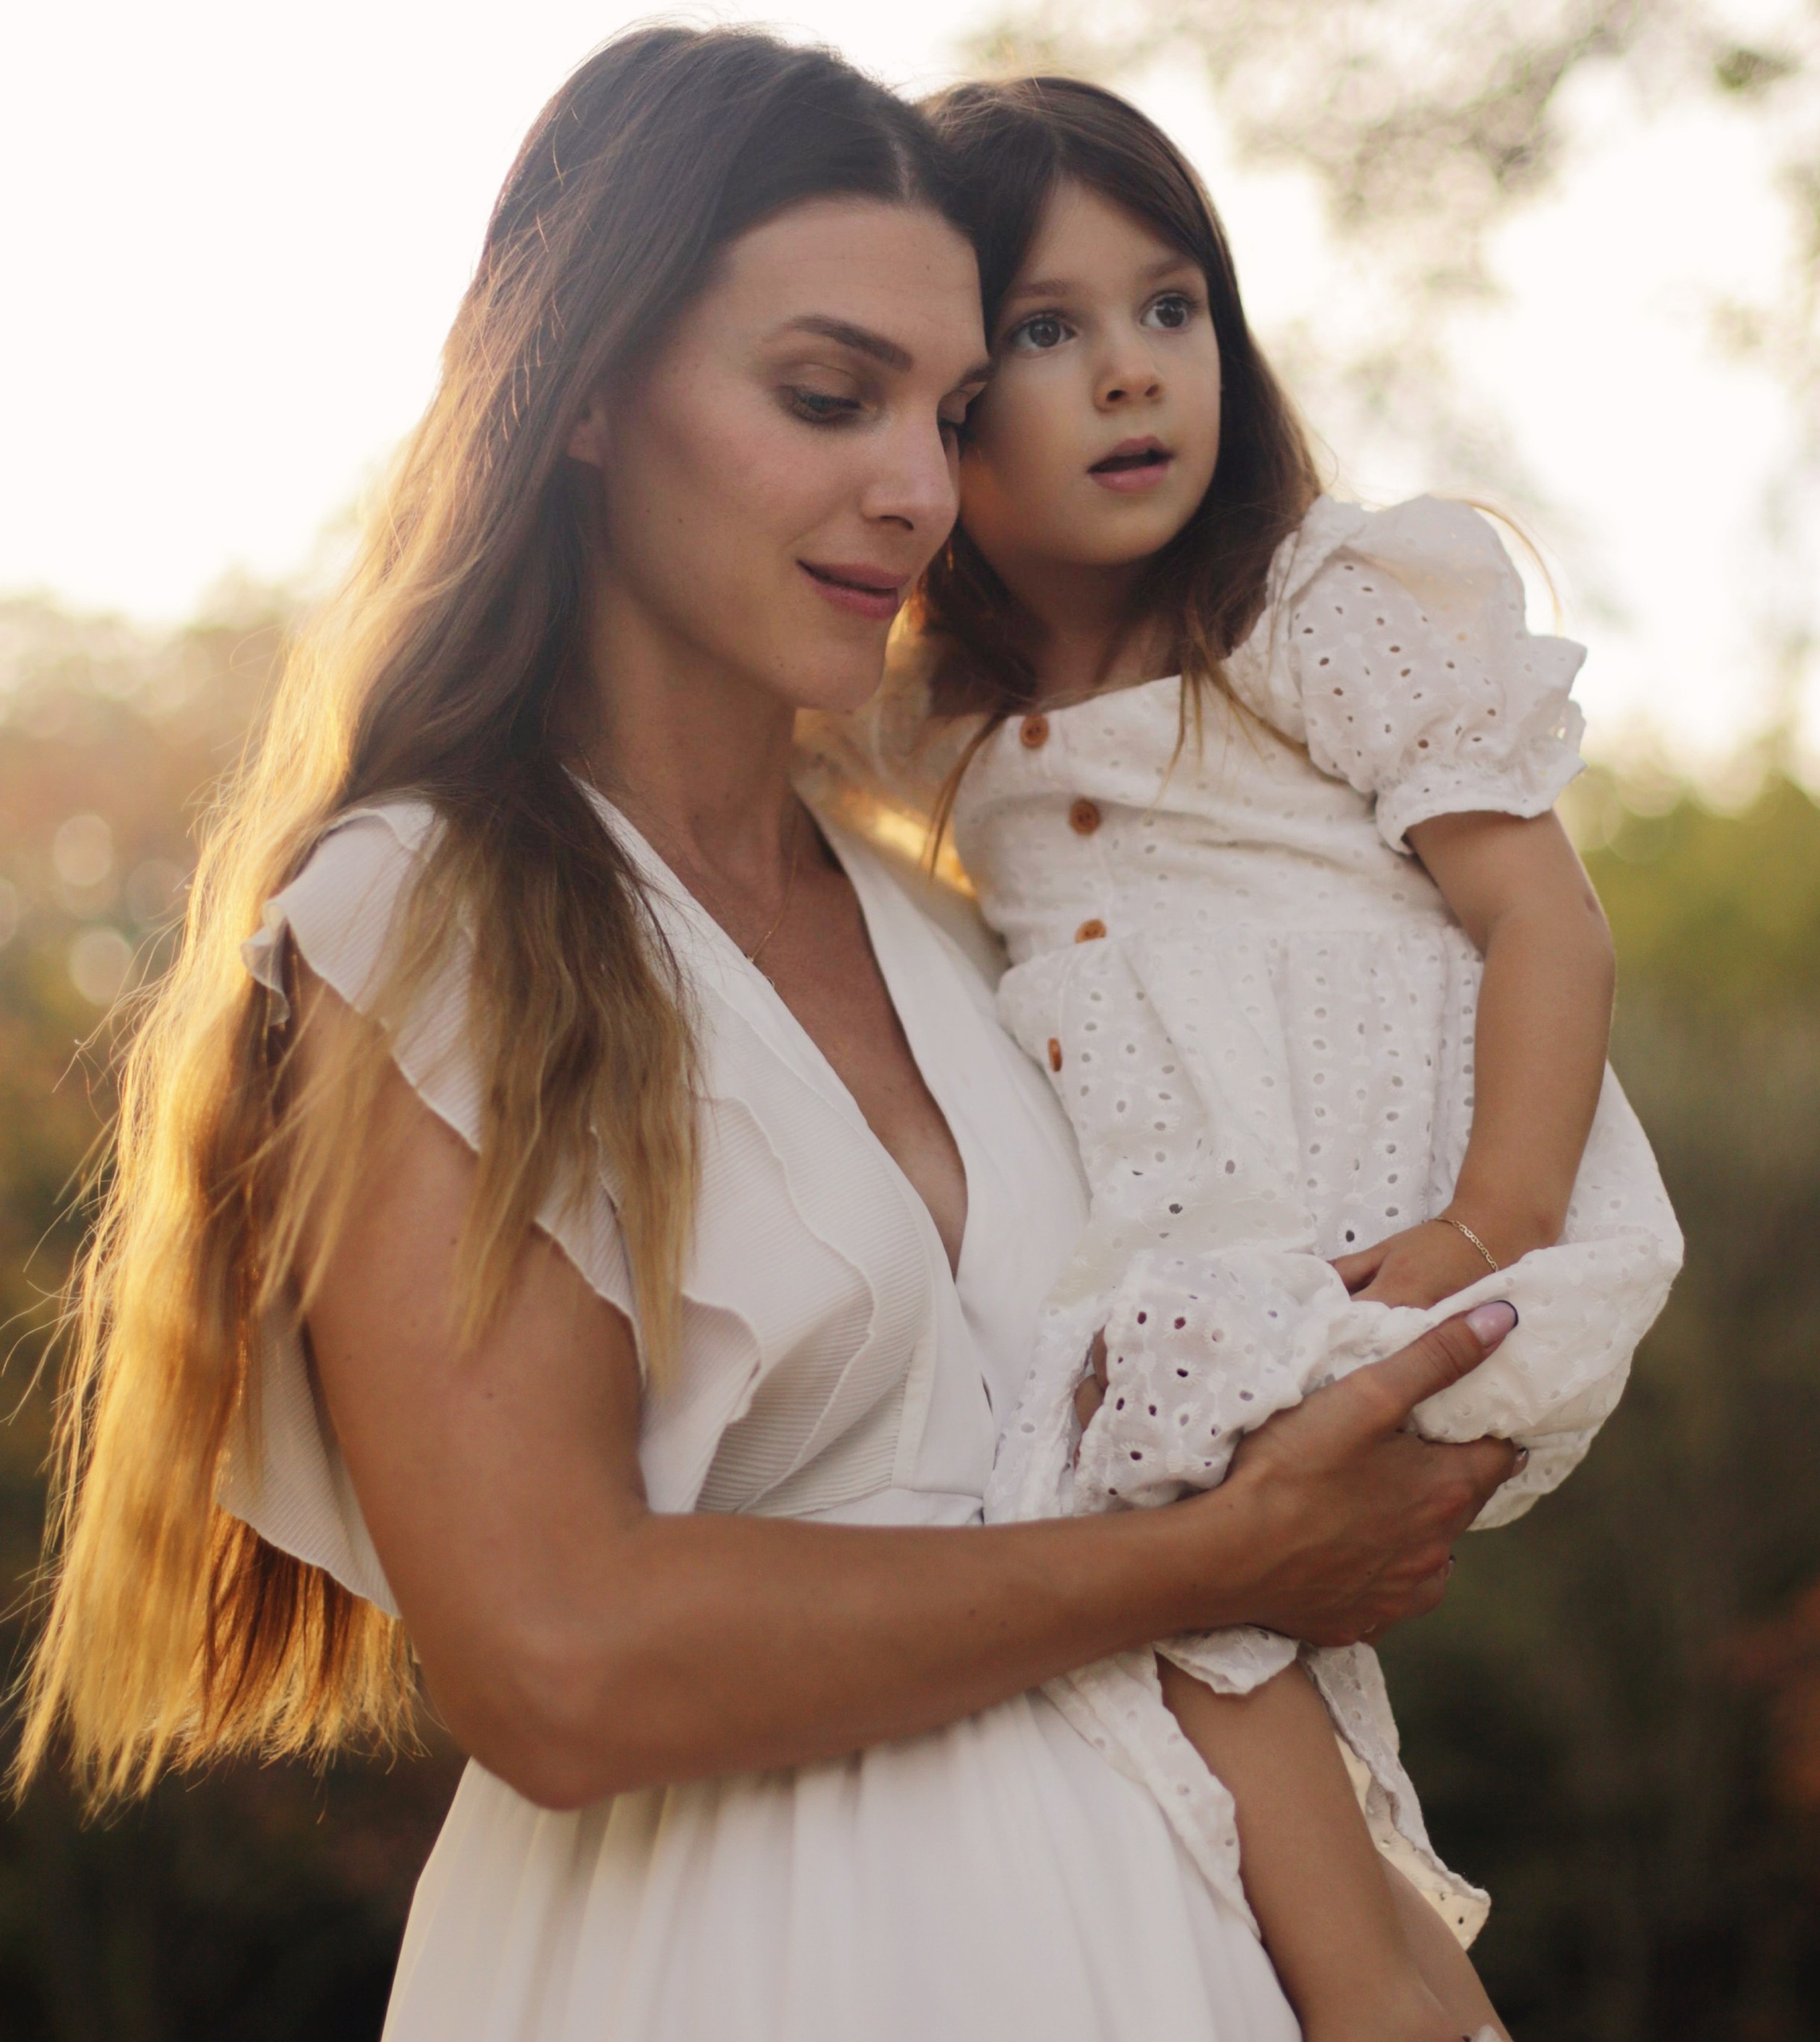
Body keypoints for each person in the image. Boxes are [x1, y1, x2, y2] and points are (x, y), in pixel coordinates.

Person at [14, 28, 1528, 2040]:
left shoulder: (956, 919)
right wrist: (1212, 1558)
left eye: (955, 408)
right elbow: (555, 1657)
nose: (915, 489)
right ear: (581, 393)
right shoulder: (433, 915)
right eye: (828, 396)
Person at [849, 77, 1684, 2042]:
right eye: (1047, 332)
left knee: (1143, 1566)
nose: (1131, 373)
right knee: (1185, 1607)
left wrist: (1483, 1217)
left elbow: (1543, 921)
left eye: (1170, 307)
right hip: (1221, 1273)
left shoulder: (1302, 611)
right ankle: (1414, 1996)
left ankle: (1370, 2011)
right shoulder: (942, 736)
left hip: (1433, 1240)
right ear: (946, 393)